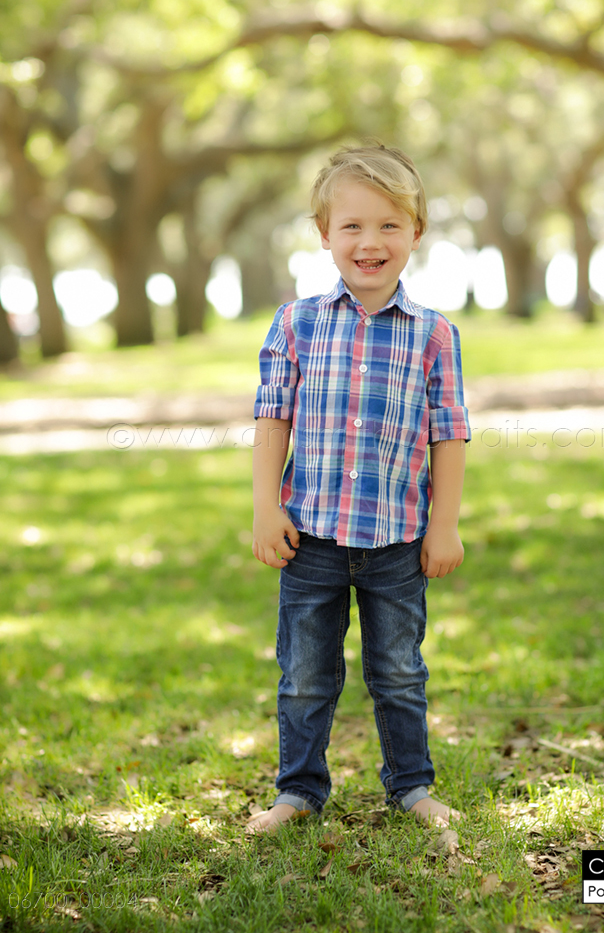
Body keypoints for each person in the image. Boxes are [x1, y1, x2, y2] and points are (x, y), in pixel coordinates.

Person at [248, 144, 470, 833]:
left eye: (388, 225)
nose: (370, 242)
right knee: (305, 676)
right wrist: (264, 508)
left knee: (399, 672)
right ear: (324, 234)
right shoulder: (296, 324)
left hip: (398, 541)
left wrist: (444, 525)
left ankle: (412, 786)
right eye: (352, 226)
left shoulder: (434, 335)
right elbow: (272, 417)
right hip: (309, 537)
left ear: (416, 234)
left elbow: (449, 433)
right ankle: (298, 791)